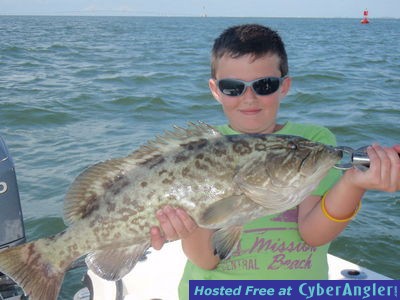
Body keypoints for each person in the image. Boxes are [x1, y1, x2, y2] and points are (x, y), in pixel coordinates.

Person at [149, 24, 400, 298]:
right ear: (215, 90)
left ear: (284, 86)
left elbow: (313, 234)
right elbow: (207, 260)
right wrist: (188, 228)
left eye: (264, 85)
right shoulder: (199, 151)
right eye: (233, 87)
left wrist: (353, 183)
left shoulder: (311, 141)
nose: (249, 98)